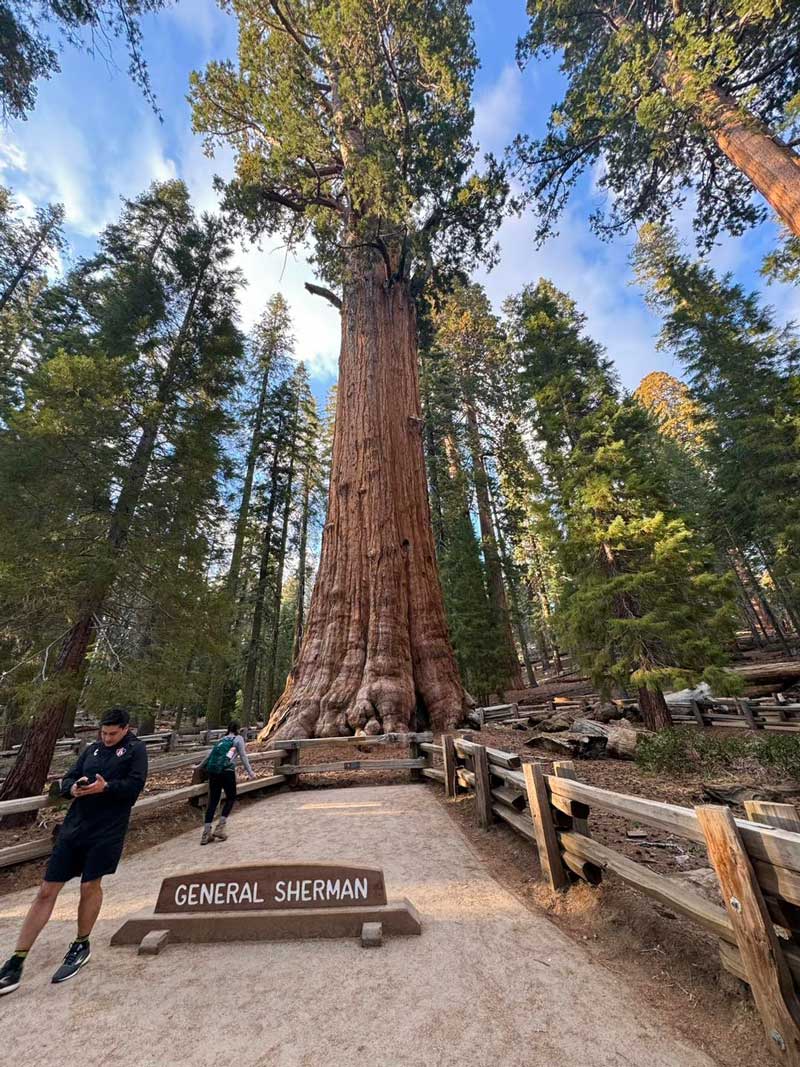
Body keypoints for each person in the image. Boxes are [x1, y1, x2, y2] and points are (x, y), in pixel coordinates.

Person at [0, 706, 148, 996]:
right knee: (45, 890)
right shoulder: (91, 749)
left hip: (107, 830)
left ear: (126, 729)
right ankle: (16, 960)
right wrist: (74, 790)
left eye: (113, 733)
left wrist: (106, 788)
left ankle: (81, 943)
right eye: (103, 733)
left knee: (89, 885)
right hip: (74, 828)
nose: (106, 738)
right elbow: (67, 780)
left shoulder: (136, 750)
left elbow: (134, 787)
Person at [200, 720, 255, 845]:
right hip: (227, 771)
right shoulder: (238, 739)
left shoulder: (221, 739)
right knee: (231, 798)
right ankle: (220, 827)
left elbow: (209, 755)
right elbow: (243, 756)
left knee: (213, 801)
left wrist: (199, 766)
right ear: (238, 729)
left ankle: (206, 833)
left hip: (213, 773)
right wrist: (250, 772)